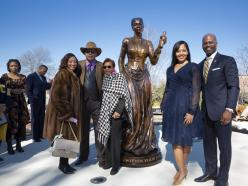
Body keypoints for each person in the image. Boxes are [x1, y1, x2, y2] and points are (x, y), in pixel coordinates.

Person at [118, 17, 166, 165]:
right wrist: (123, 74)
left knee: (144, 108)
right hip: (130, 75)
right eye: (135, 24)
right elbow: (120, 59)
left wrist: (160, 45)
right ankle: (130, 142)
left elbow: (153, 61)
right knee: (132, 108)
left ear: (143, 27)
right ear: (132, 26)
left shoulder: (148, 43)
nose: (138, 26)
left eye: (140, 24)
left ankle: (144, 142)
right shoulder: (127, 41)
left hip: (144, 77)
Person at [194, 34, 239, 186]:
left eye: (210, 42)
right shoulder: (200, 66)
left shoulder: (227, 61)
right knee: (208, 145)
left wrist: (229, 109)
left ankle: (222, 178)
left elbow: (234, 87)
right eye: (205, 43)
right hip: (206, 113)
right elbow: (195, 89)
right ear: (202, 45)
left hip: (222, 113)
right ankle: (210, 172)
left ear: (216, 44)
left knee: (224, 147)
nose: (207, 45)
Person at [161, 41, 203, 185]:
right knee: (176, 141)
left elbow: (197, 90)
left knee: (186, 141)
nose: (181, 53)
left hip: (187, 108)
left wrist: (192, 111)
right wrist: (163, 104)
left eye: (184, 50)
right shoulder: (169, 69)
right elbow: (167, 89)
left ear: (187, 52)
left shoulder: (193, 67)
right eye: (178, 51)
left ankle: (182, 169)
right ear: (175, 53)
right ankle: (182, 170)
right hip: (172, 109)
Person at [43, 53, 82, 174]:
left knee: (68, 139)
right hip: (64, 113)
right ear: (65, 62)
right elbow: (56, 96)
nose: (73, 64)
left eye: (75, 61)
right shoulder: (63, 74)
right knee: (64, 138)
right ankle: (62, 165)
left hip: (70, 112)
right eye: (70, 61)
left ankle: (65, 163)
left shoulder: (73, 74)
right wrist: (66, 113)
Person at [97, 58, 133, 175]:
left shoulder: (120, 78)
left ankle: (116, 165)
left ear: (113, 67)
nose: (107, 69)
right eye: (105, 67)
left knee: (116, 140)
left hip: (117, 114)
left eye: (109, 66)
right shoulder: (105, 79)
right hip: (105, 113)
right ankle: (109, 161)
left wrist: (118, 111)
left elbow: (124, 96)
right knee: (108, 137)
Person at [75, 41, 104, 166]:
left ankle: (101, 157)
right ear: (85, 53)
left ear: (96, 53)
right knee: (83, 131)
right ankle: (83, 156)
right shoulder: (78, 65)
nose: (90, 53)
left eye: (93, 51)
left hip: (97, 102)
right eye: (88, 51)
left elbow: (109, 77)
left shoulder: (101, 65)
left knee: (99, 130)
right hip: (82, 103)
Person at [1, 59, 30, 154]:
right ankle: (9, 146)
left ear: (19, 66)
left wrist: (22, 90)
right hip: (9, 103)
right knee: (10, 123)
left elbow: (26, 88)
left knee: (21, 123)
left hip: (21, 102)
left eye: (16, 65)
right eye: (12, 65)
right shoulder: (4, 77)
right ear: (8, 67)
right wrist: (12, 91)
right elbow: (2, 90)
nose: (14, 67)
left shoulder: (23, 77)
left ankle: (18, 144)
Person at [26, 65, 52, 142]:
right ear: (39, 69)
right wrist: (32, 99)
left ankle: (40, 134)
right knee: (35, 119)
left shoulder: (43, 78)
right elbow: (28, 89)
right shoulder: (31, 76)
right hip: (35, 101)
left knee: (41, 118)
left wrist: (50, 83)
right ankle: (35, 136)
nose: (45, 72)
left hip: (42, 101)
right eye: (44, 71)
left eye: (46, 71)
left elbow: (45, 87)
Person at [0, 77, 12, 162]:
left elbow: (8, 96)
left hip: (2, 112)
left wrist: (5, 105)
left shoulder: (4, 84)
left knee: (1, 134)